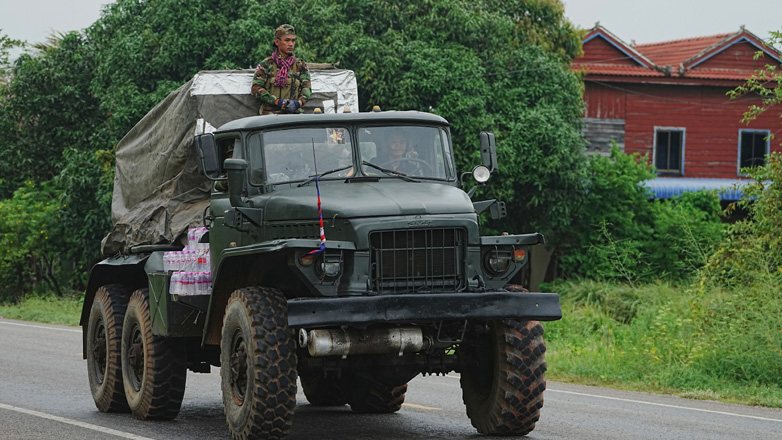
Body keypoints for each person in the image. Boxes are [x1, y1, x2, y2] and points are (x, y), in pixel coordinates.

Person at [251, 24, 312, 115]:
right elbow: (256, 88)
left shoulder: (300, 65)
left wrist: (298, 103)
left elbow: (307, 88)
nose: (291, 44)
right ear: (277, 42)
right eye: (287, 40)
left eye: (293, 40)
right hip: (271, 115)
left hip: (294, 114)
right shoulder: (267, 64)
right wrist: (277, 102)